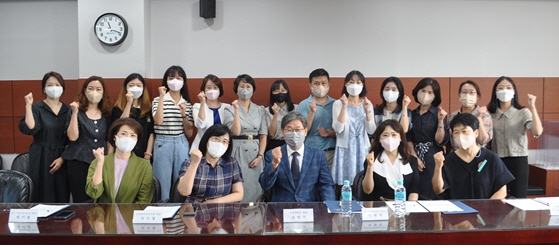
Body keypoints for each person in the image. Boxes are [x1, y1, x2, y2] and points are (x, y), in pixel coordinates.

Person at [432, 113, 515, 199]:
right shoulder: (448, 160)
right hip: (458, 210)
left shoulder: (491, 158)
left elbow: (502, 190)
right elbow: (438, 190)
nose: (460, 136)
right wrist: (438, 166)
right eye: (456, 132)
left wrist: (486, 209)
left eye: (465, 131)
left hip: (486, 210)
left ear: (476, 133)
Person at [259, 111, 335, 202]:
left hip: (309, 209)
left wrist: (328, 208)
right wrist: (274, 164)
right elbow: (265, 185)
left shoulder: (318, 155)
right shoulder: (272, 154)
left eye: (298, 130)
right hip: (281, 210)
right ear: (283, 132)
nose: (294, 134)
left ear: (305, 131)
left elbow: (326, 185)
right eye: (289, 130)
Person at [18, 71, 70, 203]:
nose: (54, 87)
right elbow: (31, 127)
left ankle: (60, 223)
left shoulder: (68, 109)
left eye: (57, 84)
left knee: (61, 193)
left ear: (63, 88)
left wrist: (63, 158)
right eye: (50, 85)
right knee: (41, 192)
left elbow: (73, 138)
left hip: (61, 155)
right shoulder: (37, 107)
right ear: (44, 89)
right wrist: (28, 105)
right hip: (40, 155)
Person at [487, 76, 543, 198]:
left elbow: (537, 131)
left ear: (514, 91)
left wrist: (532, 107)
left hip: (518, 160)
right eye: (500, 88)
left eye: (508, 88)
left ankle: (518, 218)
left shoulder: (523, 112)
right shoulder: (489, 113)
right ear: (495, 92)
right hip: (496, 160)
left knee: (518, 198)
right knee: (497, 197)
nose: (504, 90)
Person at [62, 75, 112, 203]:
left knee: (100, 199)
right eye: (90, 88)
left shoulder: (106, 113)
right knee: (82, 201)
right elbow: (73, 137)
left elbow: (109, 139)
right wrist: (74, 113)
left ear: (103, 92)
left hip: (100, 162)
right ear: (85, 91)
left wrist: (110, 160)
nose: (94, 92)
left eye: (98, 89)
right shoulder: (76, 111)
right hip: (78, 161)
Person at [85, 118, 153, 203]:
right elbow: (93, 193)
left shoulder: (144, 166)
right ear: (114, 137)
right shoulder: (98, 161)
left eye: (133, 135)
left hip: (129, 214)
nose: (128, 138)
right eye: (124, 134)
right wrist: (100, 163)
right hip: (103, 214)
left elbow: (143, 200)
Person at [152, 65, 194, 201]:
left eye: (178, 78)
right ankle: (163, 217)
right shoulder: (158, 100)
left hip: (181, 142)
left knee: (181, 182)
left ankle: (180, 217)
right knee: (162, 184)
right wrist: (162, 97)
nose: (175, 81)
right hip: (163, 142)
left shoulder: (187, 103)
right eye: (171, 78)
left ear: (183, 81)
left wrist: (183, 115)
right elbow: (158, 121)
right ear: (166, 81)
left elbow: (189, 133)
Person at [223, 74, 267, 202]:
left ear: (253, 89)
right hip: (237, 149)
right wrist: (236, 110)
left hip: (255, 151)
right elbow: (235, 131)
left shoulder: (260, 110)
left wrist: (260, 156)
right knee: (238, 184)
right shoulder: (229, 109)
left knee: (256, 187)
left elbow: (263, 136)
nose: (245, 89)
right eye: (242, 86)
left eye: (248, 86)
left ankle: (256, 216)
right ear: (236, 89)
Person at [332, 70, 375, 195]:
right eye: (351, 82)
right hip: (345, 149)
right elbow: (338, 129)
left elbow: (371, 130)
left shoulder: (367, 104)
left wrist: (367, 111)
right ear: (345, 84)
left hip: (362, 148)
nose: (355, 85)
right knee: (345, 186)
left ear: (363, 85)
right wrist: (345, 106)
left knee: (361, 184)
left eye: (358, 82)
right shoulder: (338, 104)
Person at [406, 78, 449, 200]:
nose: (426, 95)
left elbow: (440, 140)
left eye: (430, 92)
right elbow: (408, 138)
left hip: (433, 157)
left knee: (432, 191)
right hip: (413, 156)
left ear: (435, 96)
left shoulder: (438, 113)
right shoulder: (411, 114)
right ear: (417, 92)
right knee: (414, 190)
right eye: (423, 90)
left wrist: (440, 121)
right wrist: (414, 157)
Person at [177, 124, 244, 203]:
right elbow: (184, 192)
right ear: (206, 141)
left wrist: (214, 202)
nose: (220, 144)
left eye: (224, 141)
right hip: (195, 209)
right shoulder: (189, 162)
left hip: (222, 210)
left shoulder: (232, 163)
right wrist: (194, 164)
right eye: (216, 139)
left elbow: (239, 193)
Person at [361, 120, 420, 201]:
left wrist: (409, 211)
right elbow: (367, 190)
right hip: (379, 209)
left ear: (401, 138)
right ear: (379, 139)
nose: (389, 139)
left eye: (394, 135)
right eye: (385, 135)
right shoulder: (371, 159)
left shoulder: (412, 161)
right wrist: (370, 166)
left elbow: (414, 190)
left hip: (403, 209)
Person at [297, 68, 336, 170]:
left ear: (329, 84)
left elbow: (343, 131)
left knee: (330, 184)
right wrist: (312, 113)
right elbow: (302, 130)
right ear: (310, 85)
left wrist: (328, 133)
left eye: (324, 83)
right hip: (311, 152)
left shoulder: (336, 104)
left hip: (332, 152)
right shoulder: (304, 104)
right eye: (316, 83)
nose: (320, 86)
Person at [111, 73, 154, 162]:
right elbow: (120, 124)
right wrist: (129, 103)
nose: (135, 88)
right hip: (123, 153)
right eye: (131, 85)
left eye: (139, 85)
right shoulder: (118, 108)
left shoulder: (148, 109)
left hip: (142, 154)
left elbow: (151, 133)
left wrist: (148, 154)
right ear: (126, 88)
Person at [448, 80, 492, 152]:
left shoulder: (484, 115)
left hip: (477, 154)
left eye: (471, 92)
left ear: (477, 96)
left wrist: (479, 118)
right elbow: (451, 140)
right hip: (456, 154)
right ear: (459, 96)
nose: (467, 95)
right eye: (464, 92)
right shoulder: (453, 116)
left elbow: (482, 141)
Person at [191, 74, 230, 152]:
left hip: (222, 148)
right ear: (203, 90)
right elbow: (200, 125)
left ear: (220, 90)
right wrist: (202, 103)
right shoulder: (197, 106)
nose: (212, 90)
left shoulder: (227, 107)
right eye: (208, 88)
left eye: (215, 88)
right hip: (201, 149)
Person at [265, 79, 298, 152]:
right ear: (272, 93)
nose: (280, 93)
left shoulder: (296, 108)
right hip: (274, 144)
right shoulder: (266, 111)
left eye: (283, 90)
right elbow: (271, 134)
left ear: (287, 92)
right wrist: (275, 115)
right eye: (276, 91)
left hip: (292, 143)